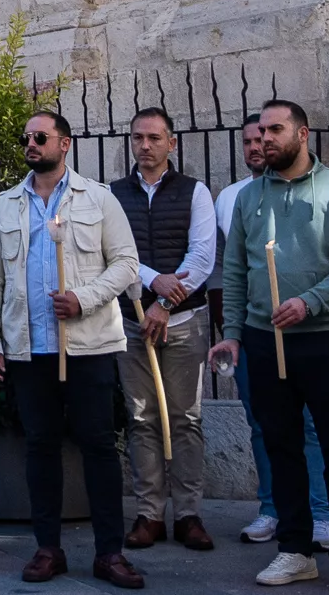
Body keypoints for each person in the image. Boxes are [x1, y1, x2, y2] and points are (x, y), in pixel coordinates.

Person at [211, 98, 329, 594]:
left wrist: (310, 302)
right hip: (265, 341)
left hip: (324, 340)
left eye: (276, 130)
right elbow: (237, 272)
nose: (265, 139)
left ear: (302, 135)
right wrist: (234, 335)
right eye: (261, 132)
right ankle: (295, 550)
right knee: (280, 446)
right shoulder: (248, 198)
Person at [0, 108, 144, 587]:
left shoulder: (99, 199)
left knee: (98, 446)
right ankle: (48, 548)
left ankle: (109, 552)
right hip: (31, 350)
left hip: (88, 346)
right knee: (40, 447)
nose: (31, 143)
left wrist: (83, 299)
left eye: (41, 136)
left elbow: (127, 263)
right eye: (26, 136)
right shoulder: (6, 205)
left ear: (65, 144)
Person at [220, 120, 329, 548]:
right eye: (248, 140)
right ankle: (272, 509)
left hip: (304, 328)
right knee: (263, 425)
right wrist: (232, 330)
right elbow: (229, 272)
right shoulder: (234, 198)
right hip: (255, 332)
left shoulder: (316, 192)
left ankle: (320, 513)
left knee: (309, 427)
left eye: (263, 137)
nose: (256, 145)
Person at [110, 106, 215, 553]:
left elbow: (203, 256)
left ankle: (188, 512)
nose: (145, 146)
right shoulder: (112, 195)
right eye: (138, 138)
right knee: (140, 418)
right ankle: (149, 512)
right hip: (131, 320)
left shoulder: (195, 192)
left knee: (186, 417)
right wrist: (154, 284)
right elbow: (114, 253)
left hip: (186, 321)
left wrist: (167, 304)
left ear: (172, 143)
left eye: (154, 138)